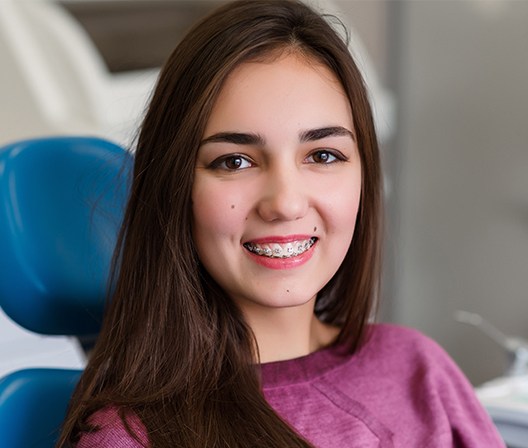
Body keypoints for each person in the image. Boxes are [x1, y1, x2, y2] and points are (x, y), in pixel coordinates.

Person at [57, 1, 505, 447]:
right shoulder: (132, 438)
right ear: (174, 190)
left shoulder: (418, 368)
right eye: (234, 161)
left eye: (323, 155)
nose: (286, 203)